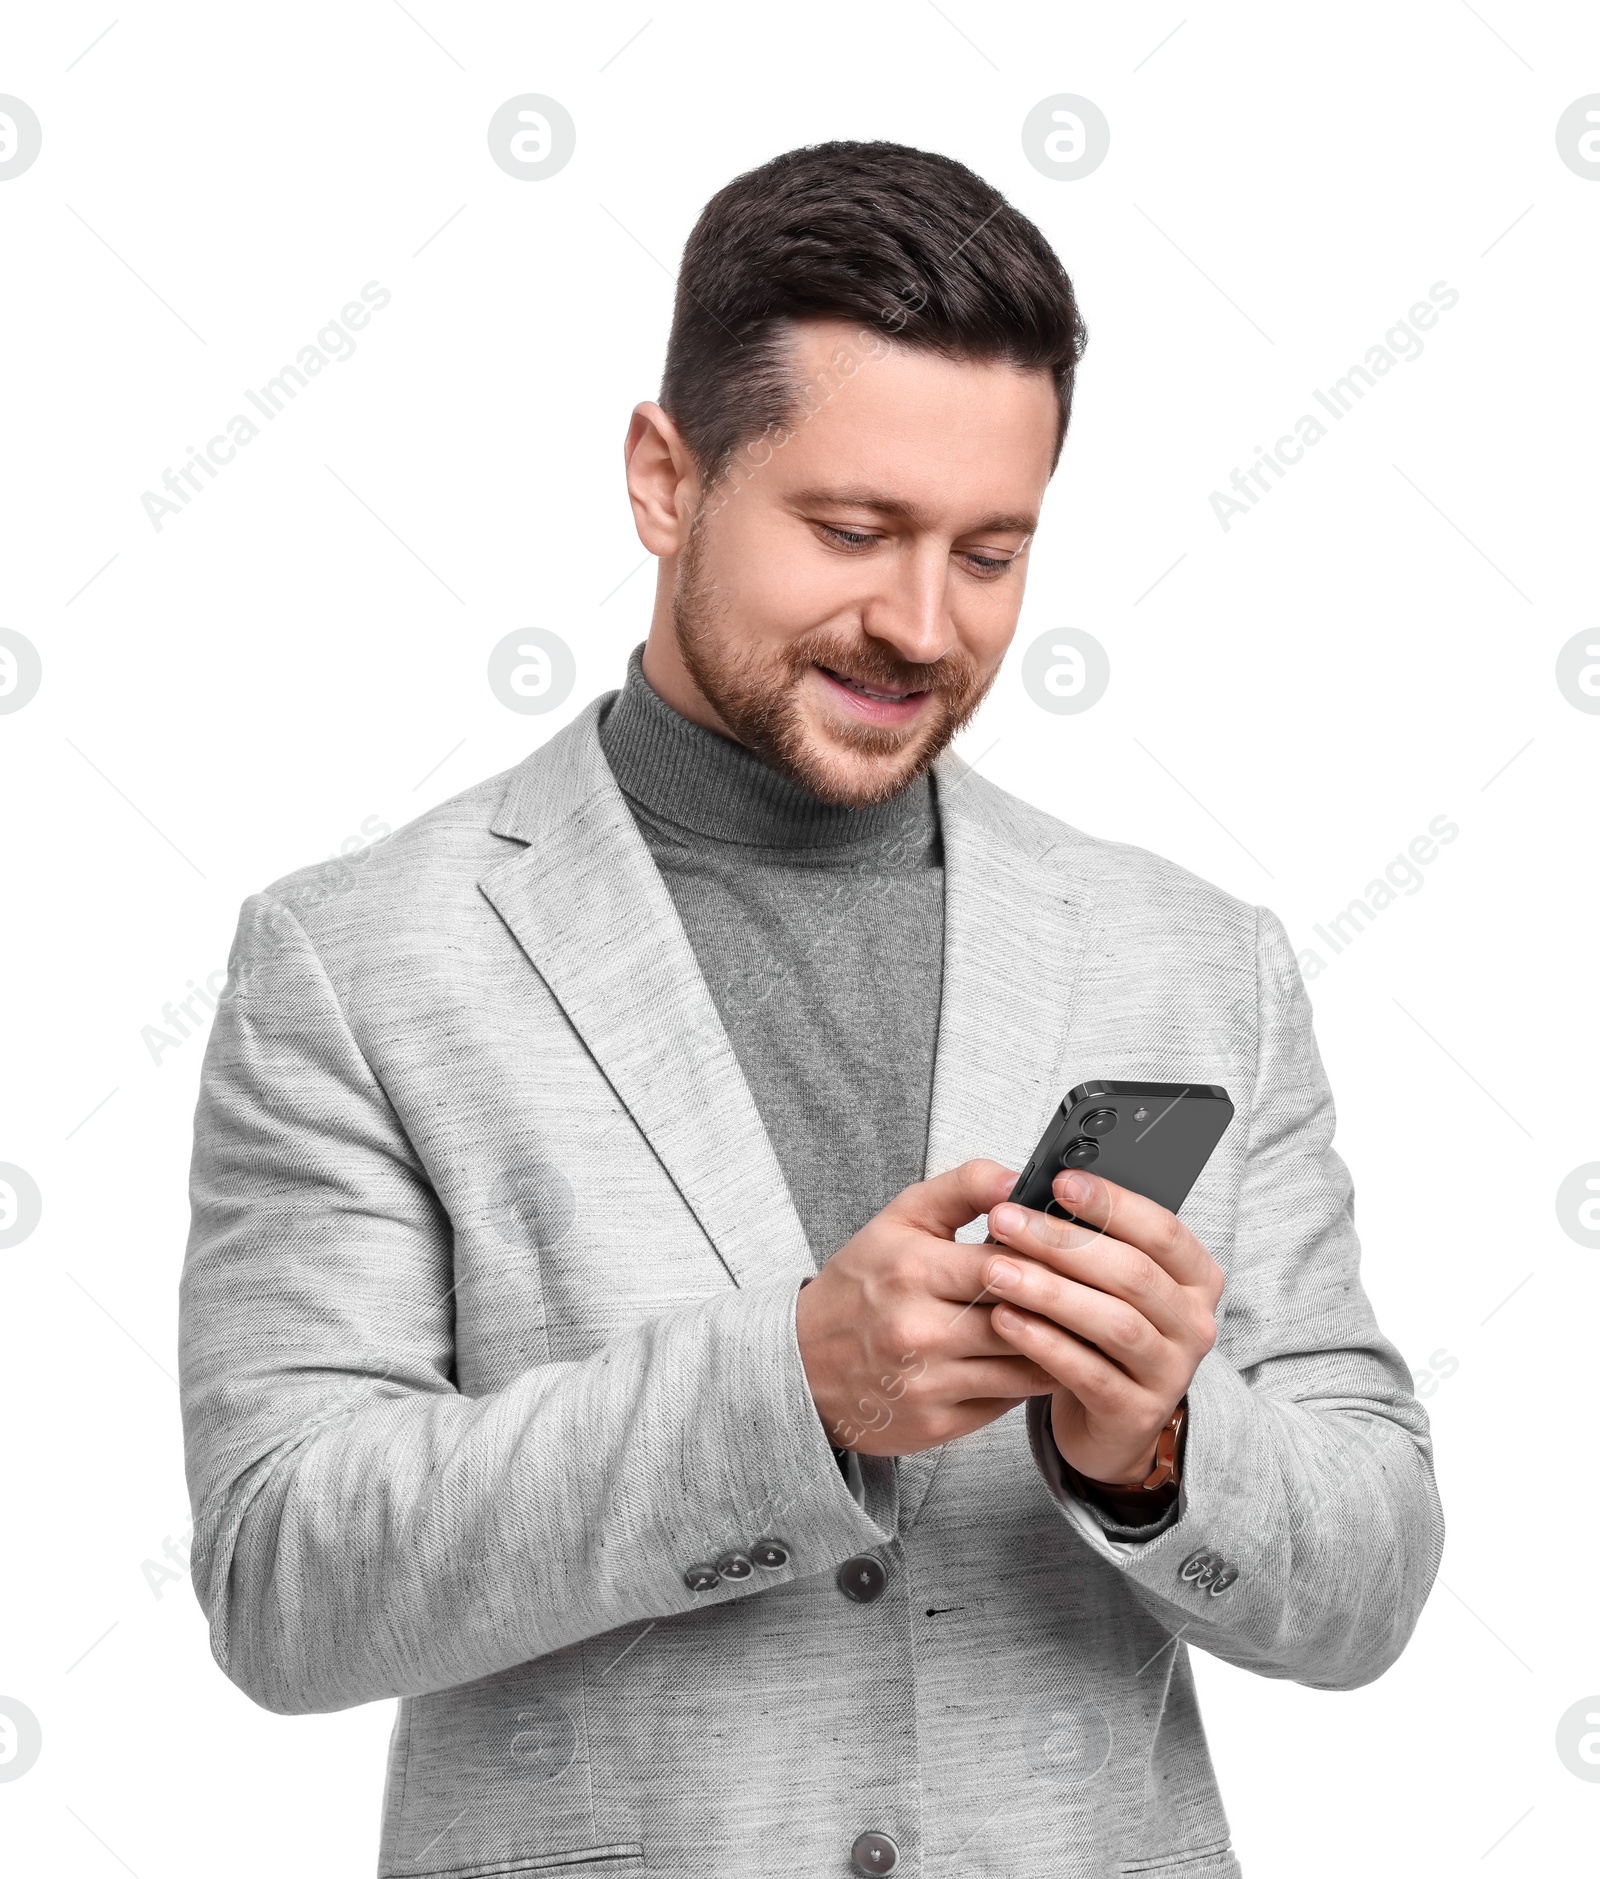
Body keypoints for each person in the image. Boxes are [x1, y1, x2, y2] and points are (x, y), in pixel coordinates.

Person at [178, 140, 1443, 1879]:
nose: (921, 624)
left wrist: (1155, 1443)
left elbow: (1372, 1579)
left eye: (991, 554)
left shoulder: (1192, 955)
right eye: (853, 530)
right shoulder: (359, 957)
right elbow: (280, 1578)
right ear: (662, 479)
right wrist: (789, 1391)